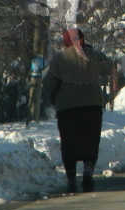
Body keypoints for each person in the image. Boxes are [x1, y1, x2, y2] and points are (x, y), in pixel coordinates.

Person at [43, 28, 106, 193]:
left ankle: (71, 179)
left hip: (67, 110)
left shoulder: (59, 59)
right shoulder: (93, 55)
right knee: (90, 140)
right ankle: (87, 172)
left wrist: (54, 100)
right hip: (92, 107)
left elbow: (49, 83)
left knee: (69, 143)